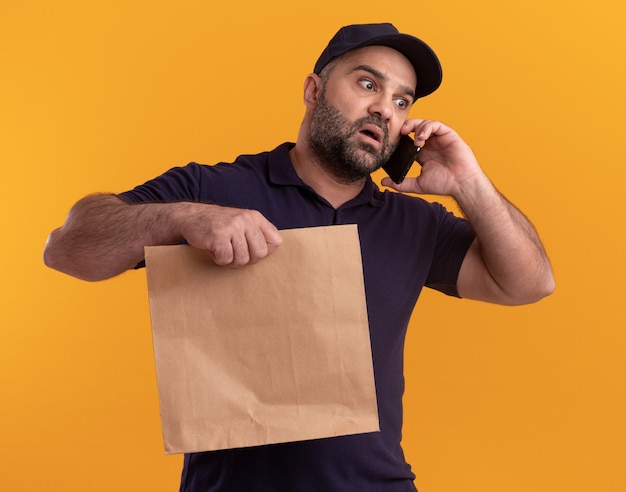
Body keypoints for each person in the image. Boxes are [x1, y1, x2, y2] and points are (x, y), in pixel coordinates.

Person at [43, 23, 555, 492]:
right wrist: (182, 219)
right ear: (313, 91)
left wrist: (469, 184)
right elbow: (67, 248)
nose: (385, 109)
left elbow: (529, 283)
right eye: (368, 85)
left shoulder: (413, 224)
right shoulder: (212, 188)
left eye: (403, 101)